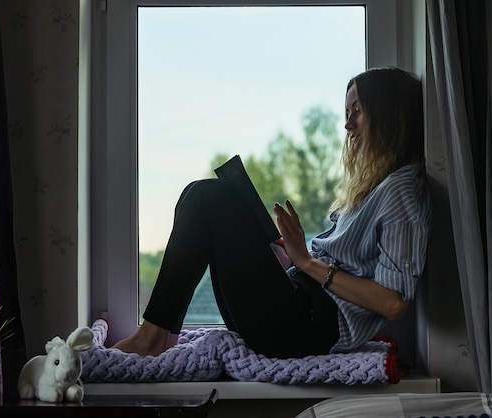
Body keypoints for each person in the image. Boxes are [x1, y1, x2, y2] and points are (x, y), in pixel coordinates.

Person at [112, 66, 432, 359]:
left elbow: (393, 303)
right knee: (196, 196)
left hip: (309, 325)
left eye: (358, 112)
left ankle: (153, 336)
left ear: (389, 115)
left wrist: (306, 262)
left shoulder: (402, 189)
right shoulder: (375, 187)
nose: (347, 124)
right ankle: (160, 335)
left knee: (208, 197)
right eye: (347, 113)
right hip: (299, 304)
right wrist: (292, 260)